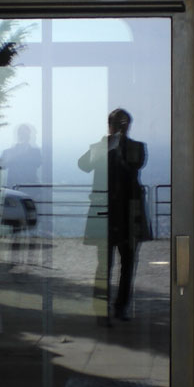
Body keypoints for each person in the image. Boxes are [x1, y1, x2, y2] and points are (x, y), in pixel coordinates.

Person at [78, 108, 149, 322]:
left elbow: (134, 165)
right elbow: (83, 165)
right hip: (106, 212)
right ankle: (102, 309)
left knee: (128, 263)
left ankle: (121, 307)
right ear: (110, 125)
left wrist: (114, 148)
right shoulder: (101, 146)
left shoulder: (137, 147)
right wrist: (106, 145)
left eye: (124, 123)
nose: (121, 127)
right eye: (118, 123)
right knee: (104, 264)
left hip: (128, 213)